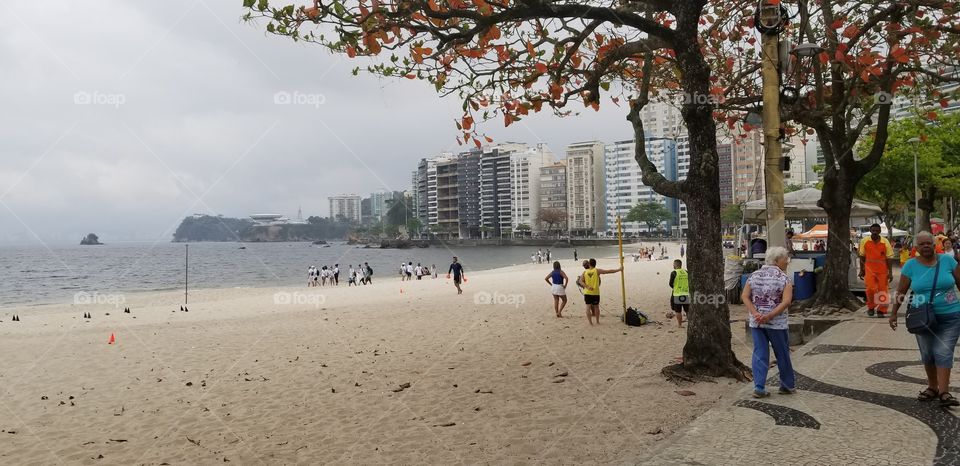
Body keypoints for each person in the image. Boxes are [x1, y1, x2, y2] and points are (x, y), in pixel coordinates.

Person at [888, 231, 960, 407]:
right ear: (916, 248)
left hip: (950, 315)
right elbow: (902, 290)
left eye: (929, 243)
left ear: (935, 244)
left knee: (943, 351)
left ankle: (944, 392)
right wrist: (894, 312)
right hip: (923, 317)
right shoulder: (910, 266)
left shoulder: (948, 261)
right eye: (922, 244)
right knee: (927, 353)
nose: (926, 246)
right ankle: (932, 387)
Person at [741, 246, 795, 398]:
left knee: (760, 353)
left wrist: (755, 313)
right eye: (785, 258)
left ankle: (759, 386)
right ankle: (787, 385)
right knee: (782, 353)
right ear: (777, 260)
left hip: (757, 322)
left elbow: (745, 296)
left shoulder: (754, 275)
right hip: (777, 323)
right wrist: (770, 315)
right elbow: (786, 301)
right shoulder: (784, 278)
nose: (787, 261)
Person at [859, 223, 895, 317]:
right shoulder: (864, 241)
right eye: (873, 230)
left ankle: (881, 310)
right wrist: (861, 270)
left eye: (876, 230)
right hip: (869, 270)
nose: (875, 232)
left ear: (879, 231)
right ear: (870, 231)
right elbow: (862, 256)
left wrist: (890, 273)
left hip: (882, 271)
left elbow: (889, 257)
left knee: (883, 290)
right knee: (870, 289)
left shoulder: (885, 242)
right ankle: (871, 307)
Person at [578, 258, 623, 325]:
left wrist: (587, 286)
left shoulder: (585, 272)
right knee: (596, 307)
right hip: (595, 293)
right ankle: (597, 321)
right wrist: (619, 269)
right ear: (595, 264)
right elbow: (609, 271)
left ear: (589, 264)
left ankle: (590, 323)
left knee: (588, 307)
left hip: (587, 293)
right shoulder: (597, 270)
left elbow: (580, 281)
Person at [669, 259, 690, 327]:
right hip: (686, 293)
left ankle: (680, 324)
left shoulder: (674, 273)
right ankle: (691, 323)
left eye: (673, 264)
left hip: (677, 294)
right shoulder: (686, 272)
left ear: (675, 265)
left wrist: (675, 288)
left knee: (678, 311)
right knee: (687, 310)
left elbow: (670, 284)